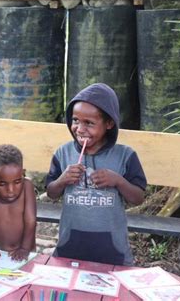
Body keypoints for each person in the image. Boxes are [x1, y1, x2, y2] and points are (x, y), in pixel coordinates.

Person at [46, 83, 146, 265]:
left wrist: (118, 181)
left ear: (109, 123)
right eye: (75, 120)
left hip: (112, 250)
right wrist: (62, 180)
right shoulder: (63, 153)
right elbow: (52, 193)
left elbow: (138, 198)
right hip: (70, 245)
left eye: (89, 123)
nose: (80, 129)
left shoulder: (125, 155)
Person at [0, 144, 37, 261]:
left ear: (23, 173)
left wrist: (25, 249)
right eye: (2, 184)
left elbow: (30, 220)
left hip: (25, 252)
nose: (11, 190)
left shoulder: (27, 187)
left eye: (17, 182)